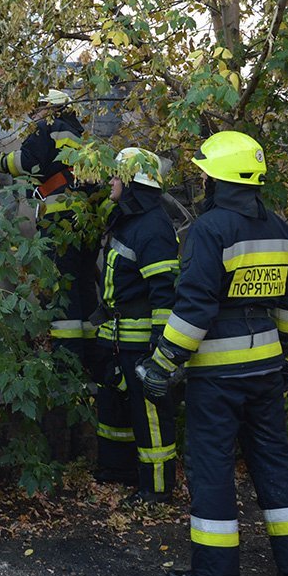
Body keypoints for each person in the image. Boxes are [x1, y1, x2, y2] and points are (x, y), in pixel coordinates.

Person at [138, 131, 288, 576]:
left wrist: (162, 364)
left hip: (218, 376)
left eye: (205, 176)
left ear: (217, 180)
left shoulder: (209, 229)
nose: (202, 184)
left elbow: (195, 308)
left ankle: (214, 573)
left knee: (212, 468)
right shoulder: (278, 228)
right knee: (275, 460)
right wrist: (287, 359)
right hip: (267, 368)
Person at [0, 89, 99, 362]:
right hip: (86, 223)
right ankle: (93, 359)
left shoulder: (47, 127)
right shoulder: (83, 137)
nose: (33, 115)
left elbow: (25, 161)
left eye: (37, 109)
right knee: (84, 286)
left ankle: (67, 363)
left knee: (62, 288)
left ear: (51, 109)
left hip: (59, 218)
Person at [91, 147, 179, 501]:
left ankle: (156, 489)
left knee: (150, 417)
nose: (111, 181)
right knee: (115, 408)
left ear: (132, 183)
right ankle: (118, 470)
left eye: (117, 176)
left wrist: (159, 345)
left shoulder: (153, 227)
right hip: (116, 335)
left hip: (140, 340)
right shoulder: (128, 219)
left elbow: (164, 291)